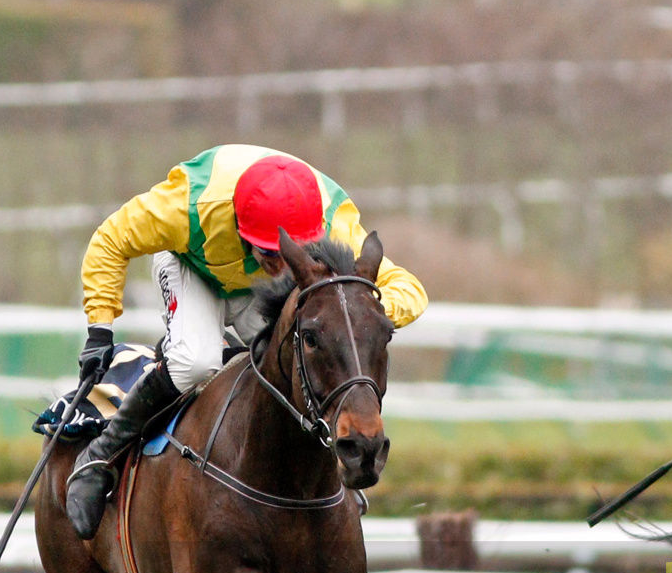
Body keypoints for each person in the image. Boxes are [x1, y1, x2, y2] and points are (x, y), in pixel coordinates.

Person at [64, 144, 427, 540]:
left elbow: (410, 290)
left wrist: (352, 318)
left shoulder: (332, 219)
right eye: (271, 254)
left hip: (259, 289)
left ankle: (323, 477)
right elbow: (109, 241)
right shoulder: (184, 207)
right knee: (195, 361)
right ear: (240, 228)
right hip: (191, 266)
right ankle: (99, 455)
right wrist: (99, 330)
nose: (280, 267)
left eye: (291, 254)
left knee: (295, 361)